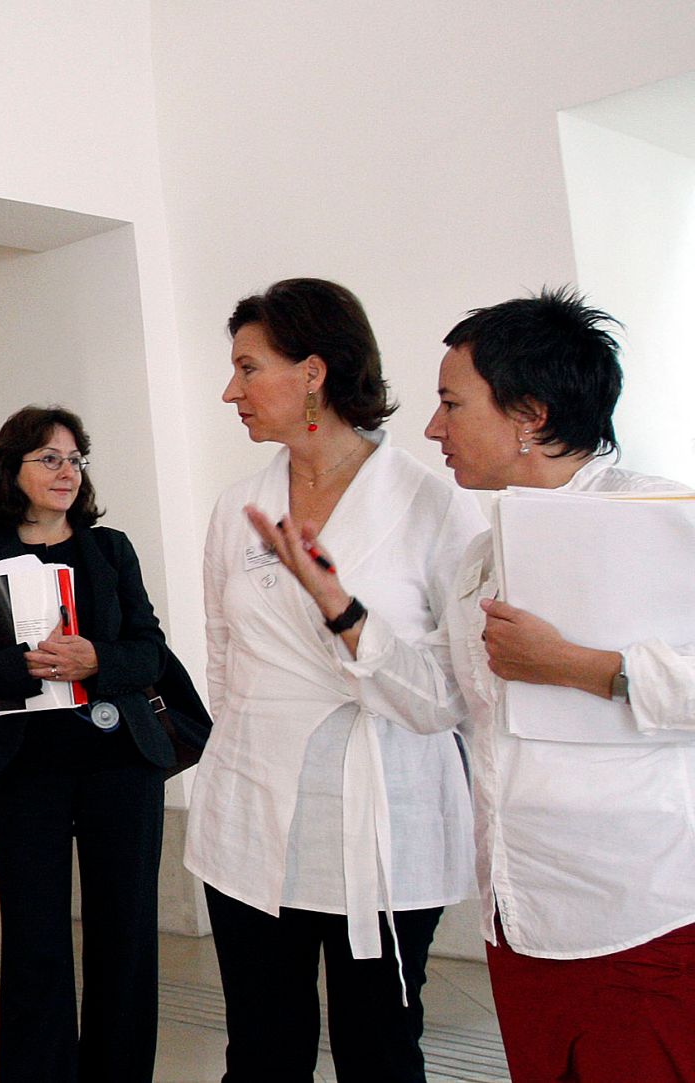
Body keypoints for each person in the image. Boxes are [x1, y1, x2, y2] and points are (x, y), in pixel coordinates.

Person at [261, 287, 695, 1078]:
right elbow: (439, 700)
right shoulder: (482, 556)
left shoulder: (661, 520)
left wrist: (583, 667)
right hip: (520, 916)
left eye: (452, 404)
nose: (433, 428)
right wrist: (337, 601)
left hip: (644, 915)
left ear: (529, 414)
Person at [185, 278, 484, 1082]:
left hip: (382, 818)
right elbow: (224, 655)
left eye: (249, 368)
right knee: (260, 1052)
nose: (230, 391)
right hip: (252, 815)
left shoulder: (434, 508)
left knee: (379, 1050)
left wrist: (344, 611)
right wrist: (249, 741)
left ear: (313, 371)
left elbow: (452, 699)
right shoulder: (237, 506)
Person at [0, 405, 172, 1081]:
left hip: (119, 765)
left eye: (75, 459)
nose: (66, 472)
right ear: (12, 469)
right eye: (50, 458)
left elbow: (150, 651)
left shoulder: (109, 549)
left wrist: (95, 657)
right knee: (36, 942)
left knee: (123, 937)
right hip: (26, 771)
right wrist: (24, 662)